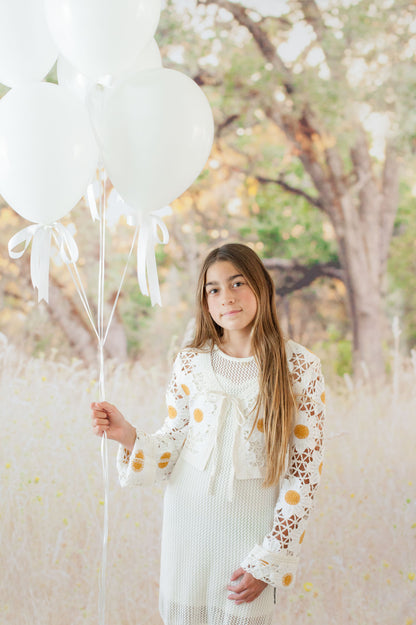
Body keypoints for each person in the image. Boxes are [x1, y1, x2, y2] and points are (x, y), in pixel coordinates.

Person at [91, 242, 325, 625]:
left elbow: (304, 474)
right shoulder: (191, 363)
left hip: (248, 540)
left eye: (237, 283)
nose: (226, 297)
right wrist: (129, 436)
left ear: (262, 286)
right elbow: (173, 445)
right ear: (205, 300)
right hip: (186, 532)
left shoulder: (298, 366)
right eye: (213, 289)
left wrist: (268, 562)